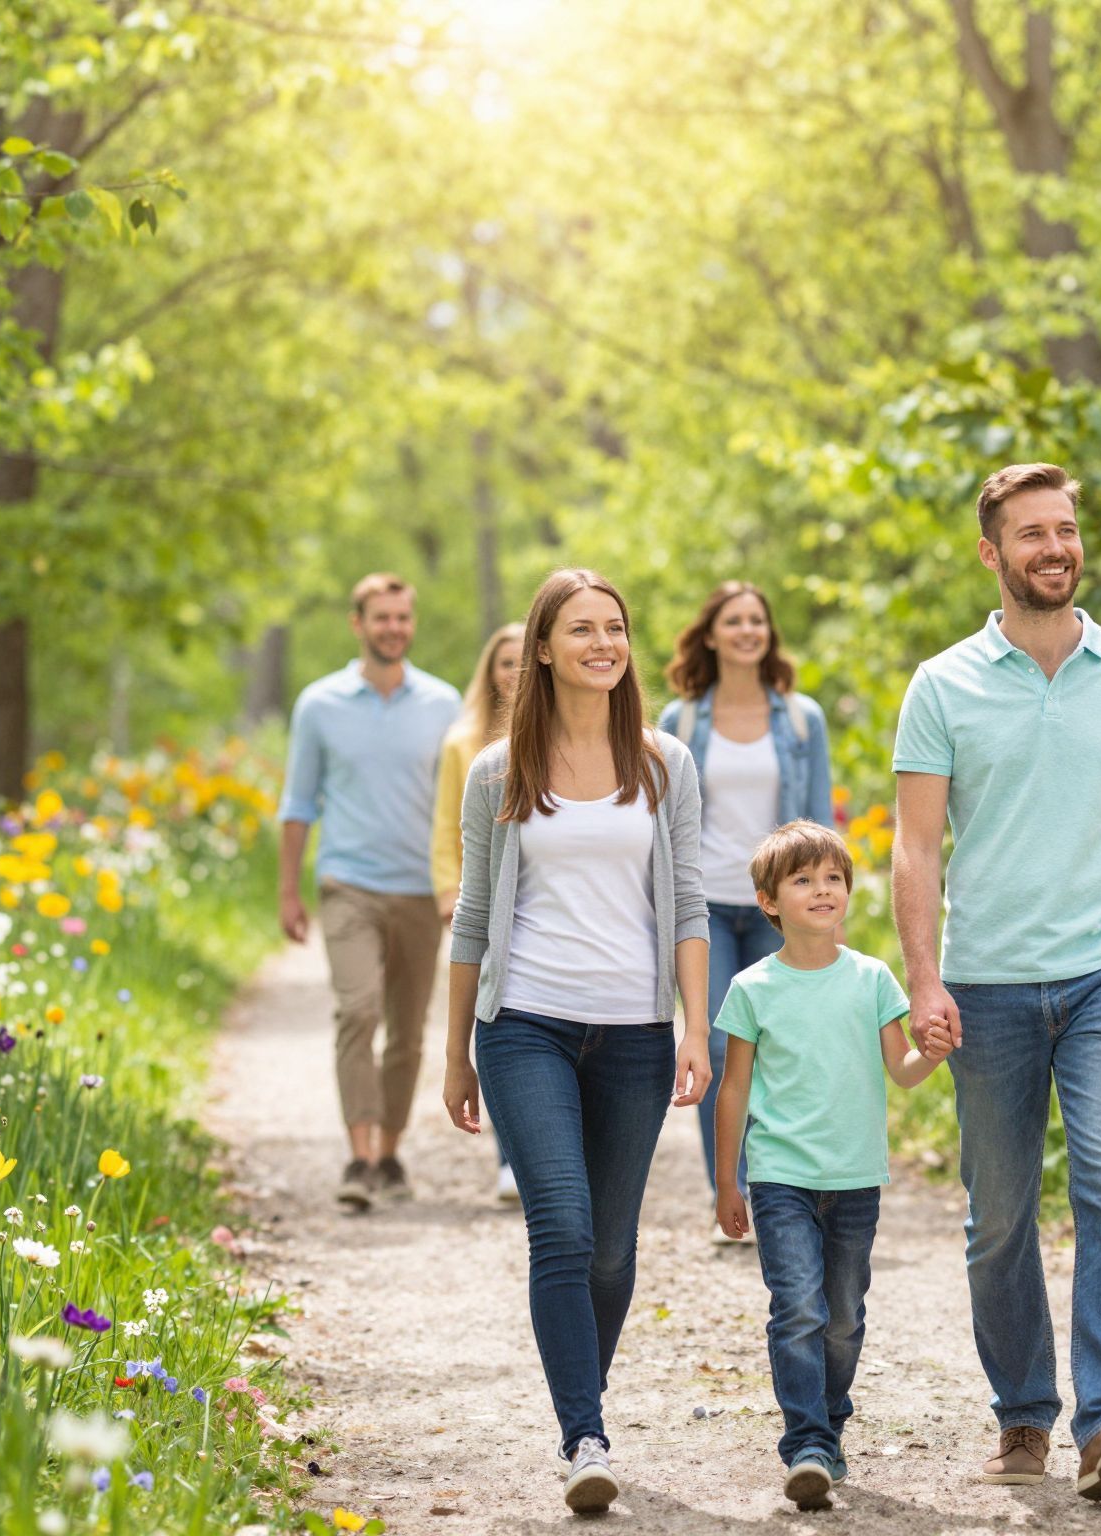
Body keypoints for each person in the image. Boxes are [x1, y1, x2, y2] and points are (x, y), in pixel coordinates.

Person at [890, 463, 1101, 1505]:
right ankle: (1023, 1413)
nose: (1054, 548)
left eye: (1066, 529)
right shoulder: (941, 684)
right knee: (998, 1215)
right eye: (1031, 533)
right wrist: (923, 980)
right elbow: (915, 847)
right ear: (991, 553)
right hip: (986, 982)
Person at [442, 568, 713, 1515]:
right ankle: (584, 1435)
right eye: (582, 629)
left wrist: (694, 1026)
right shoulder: (497, 771)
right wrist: (454, 1051)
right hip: (526, 1026)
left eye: (615, 628)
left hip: (635, 1033)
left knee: (610, 1248)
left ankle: (580, 1397)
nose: (604, 644)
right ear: (544, 650)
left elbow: (687, 904)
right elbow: (473, 918)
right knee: (560, 1223)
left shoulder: (666, 764)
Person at [712, 819, 951, 1510]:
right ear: (768, 901)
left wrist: (934, 1052)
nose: (823, 890)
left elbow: (902, 1070)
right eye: (803, 880)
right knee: (797, 1308)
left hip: (854, 1178)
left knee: (842, 1315)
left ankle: (830, 1420)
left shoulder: (872, 978)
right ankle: (807, 1443)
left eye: (833, 878)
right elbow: (734, 1090)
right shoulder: (752, 988)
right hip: (779, 1175)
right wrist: (727, 1181)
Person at [278, 572, 463, 1211]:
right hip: (348, 884)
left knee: (408, 1031)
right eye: (381, 617)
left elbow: (461, 802)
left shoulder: (443, 703)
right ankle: (358, 1157)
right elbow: (298, 802)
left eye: (402, 617)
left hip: (420, 890)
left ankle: (389, 1152)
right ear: (357, 624)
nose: (393, 628)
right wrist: (288, 892)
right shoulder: (319, 704)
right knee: (358, 1011)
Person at [658, 581, 833, 1226]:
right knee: (718, 1048)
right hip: (702, 909)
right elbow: (657, 826)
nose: (746, 630)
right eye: (733, 621)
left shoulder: (801, 719)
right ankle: (729, 1189)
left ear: (769, 633)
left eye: (757, 620)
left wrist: (824, 912)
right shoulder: (678, 723)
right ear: (710, 634)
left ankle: (778, 1189)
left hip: (776, 910)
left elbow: (818, 822)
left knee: (781, 1050)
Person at [432, 622, 526, 1205]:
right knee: (498, 1014)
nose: (515, 673)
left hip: (530, 898)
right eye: (505, 662)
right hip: (481, 897)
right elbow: (446, 825)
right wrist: (450, 891)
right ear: (489, 670)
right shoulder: (462, 743)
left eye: (524, 661)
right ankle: (508, 1156)